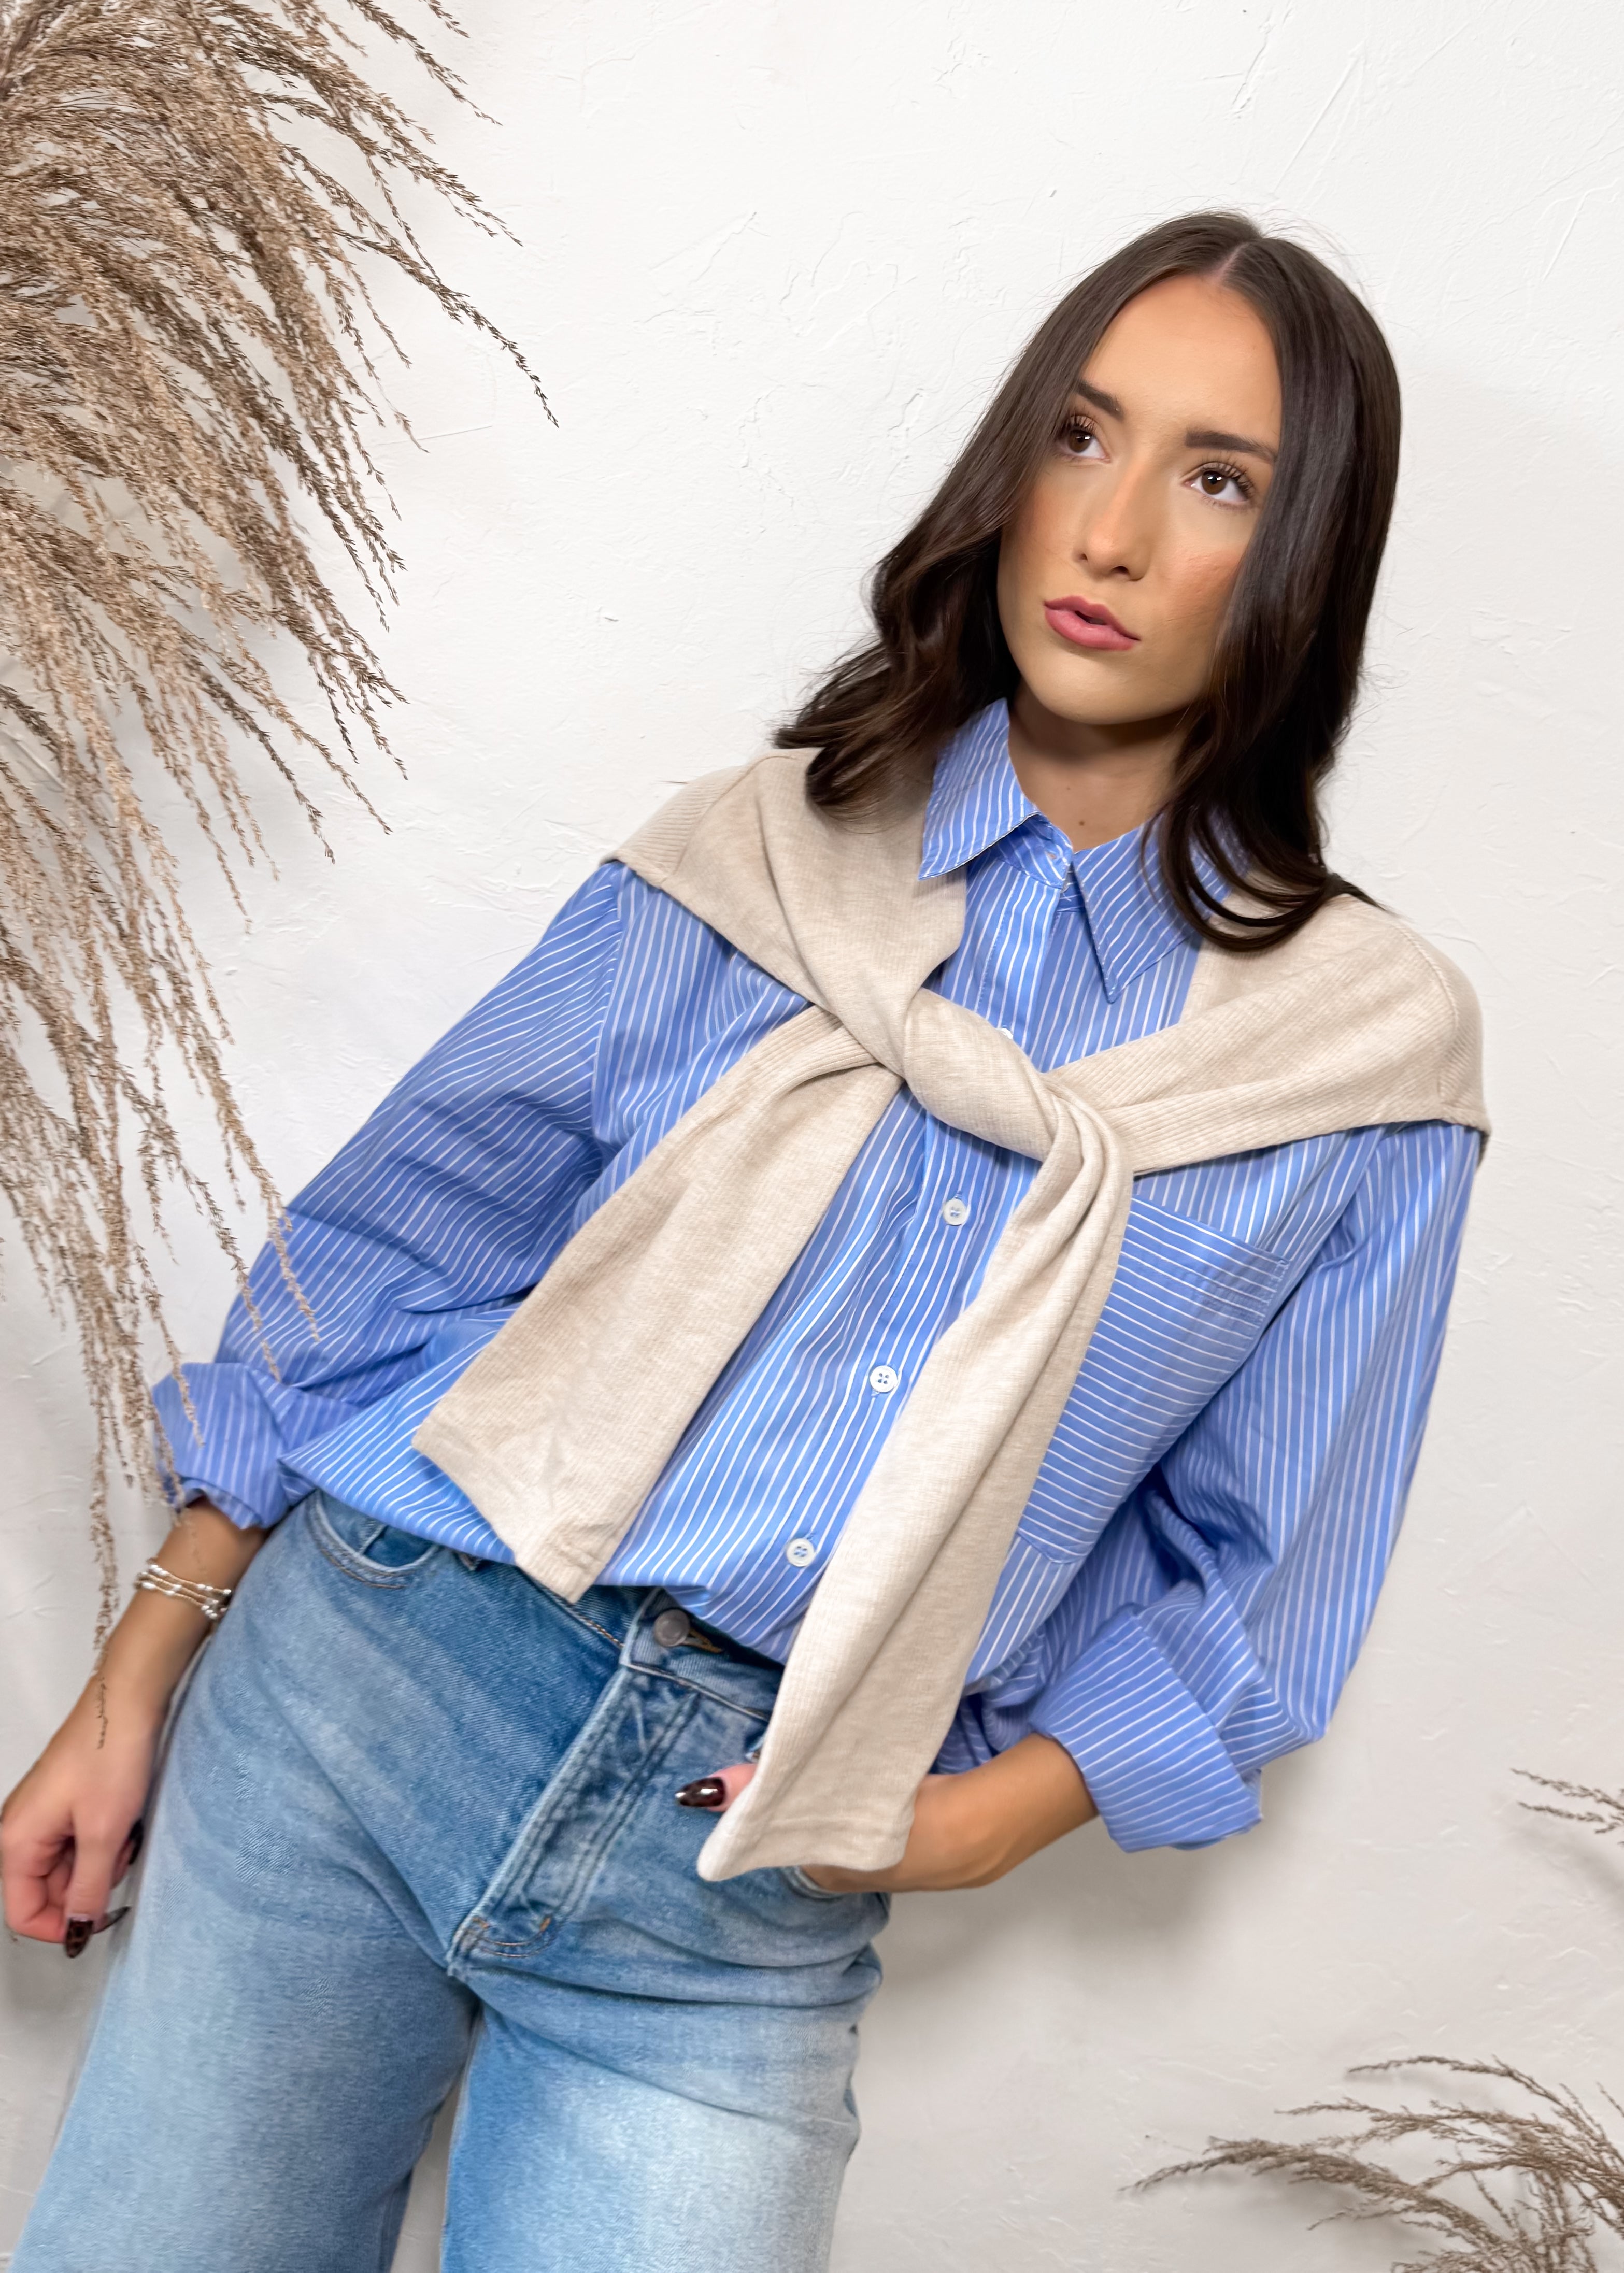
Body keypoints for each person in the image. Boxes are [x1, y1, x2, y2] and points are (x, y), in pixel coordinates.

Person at [2, 211, 1486, 2273]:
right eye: (1080, 436)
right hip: (368, 1684)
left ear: (1304, 553)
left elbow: (1255, 1569)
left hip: (740, 1879)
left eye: (1218, 478)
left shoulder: (1357, 1058)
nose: (1116, 530)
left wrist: (959, 1821)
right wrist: (136, 1673)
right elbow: (393, 1252)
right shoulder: (755, 851)